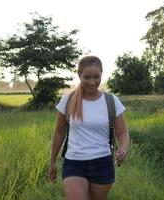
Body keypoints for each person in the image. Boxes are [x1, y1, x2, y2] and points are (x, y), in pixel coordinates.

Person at [48, 55, 129, 200]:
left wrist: (123, 147)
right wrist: (52, 162)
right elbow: (59, 133)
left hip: (102, 163)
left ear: (102, 75)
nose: (92, 82)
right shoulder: (68, 100)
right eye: (87, 77)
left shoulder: (111, 101)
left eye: (96, 77)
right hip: (74, 163)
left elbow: (122, 132)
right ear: (79, 75)